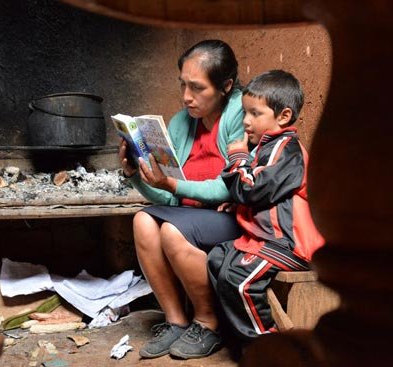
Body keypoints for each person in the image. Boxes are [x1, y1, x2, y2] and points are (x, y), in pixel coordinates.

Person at [118, 39, 245, 359]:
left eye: (198, 88)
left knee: (173, 232)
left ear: (226, 86)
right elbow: (167, 196)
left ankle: (208, 323)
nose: (187, 96)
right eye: (183, 85)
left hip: (233, 214)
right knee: (143, 220)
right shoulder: (179, 123)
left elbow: (230, 187)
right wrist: (135, 174)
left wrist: (172, 184)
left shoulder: (240, 114)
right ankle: (176, 321)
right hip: (193, 215)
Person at [207, 69, 325, 342]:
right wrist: (237, 206)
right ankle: (236, 338)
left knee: (241, 280)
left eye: (255, 114)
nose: (246, 121)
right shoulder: (266, 148)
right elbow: (267, 196)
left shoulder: (288, 149)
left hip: (287, 244)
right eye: (244, 113)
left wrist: (236, 158)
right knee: (216, 259)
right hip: (263, 239)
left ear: (283, 116)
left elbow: (253, 189)